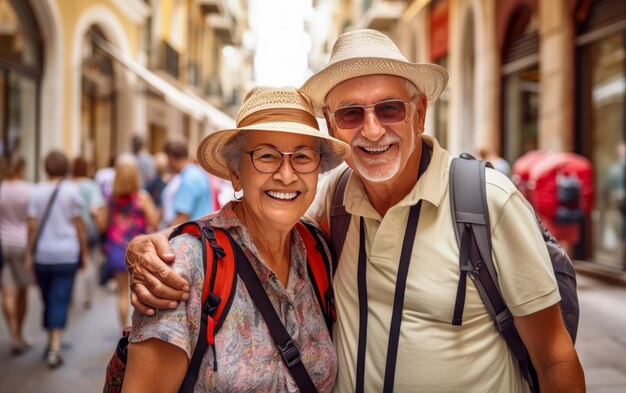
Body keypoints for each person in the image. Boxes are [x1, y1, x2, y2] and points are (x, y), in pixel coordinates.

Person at [125, 29, 585, 392]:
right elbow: (249, 228)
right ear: (333, 125)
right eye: (350, 114)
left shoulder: (487, 202)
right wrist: (156, 246)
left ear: (419, 114)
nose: (371, 129)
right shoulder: (334, 201)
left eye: (389, 109)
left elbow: (554, 357)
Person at [119, 86, 349, 392]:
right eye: (266, 156)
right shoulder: (185, 265)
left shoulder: (318, 250)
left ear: (317, 170)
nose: (286, 174)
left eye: (303, 157)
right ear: (235, 173)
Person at [25, 150, 89, 368]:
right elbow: (79, 225)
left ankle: (53, 344)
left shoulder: (36, 191)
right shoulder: (72, 191)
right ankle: (54, 346)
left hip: (42, 255)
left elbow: (32, 226)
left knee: (49, 298)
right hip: (66, 253)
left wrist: (29, 254)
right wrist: (84, 252)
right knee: (59, 298)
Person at [104, 154, 158, 328]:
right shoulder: (142, 198)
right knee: (140, 290)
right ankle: (139, 329)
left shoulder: (111, 198)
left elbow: (104, 223)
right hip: (138, 249)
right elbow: (154, 222)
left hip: (116, 248)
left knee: (122, 292)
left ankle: (123, 329)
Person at [0, 156, 33, 355]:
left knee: (8, 292)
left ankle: (12, 334)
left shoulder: (1, 189)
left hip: (3, 244)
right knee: (22, 292)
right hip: (22, 244)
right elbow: (31, 221)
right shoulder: (28, 190)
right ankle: (19, 333)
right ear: (21, 168)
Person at [71, 156, 106, 309]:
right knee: (90, 262)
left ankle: (70, 297)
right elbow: (95, 208)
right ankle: (88, 297)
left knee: (72, 264)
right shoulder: (91, 186)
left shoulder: (67, 185)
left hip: (70, 231)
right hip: (88, 229)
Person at [163, 140, 215, 226]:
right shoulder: (198, 173)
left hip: (192, 234)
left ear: (170, 157)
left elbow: (181, 219)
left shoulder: (188, 179)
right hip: (203, 231)